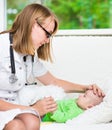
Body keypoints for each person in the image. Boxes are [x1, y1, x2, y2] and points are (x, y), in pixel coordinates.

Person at [0, 3, 104, 130]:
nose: (47, 40)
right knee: (18, 124)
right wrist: (32, 109)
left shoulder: (30, 56)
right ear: (33, 25)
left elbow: (53, 81)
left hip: (11, 106)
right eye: (47, 34)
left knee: (32, 121)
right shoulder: (2, 45)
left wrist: (85, 87)